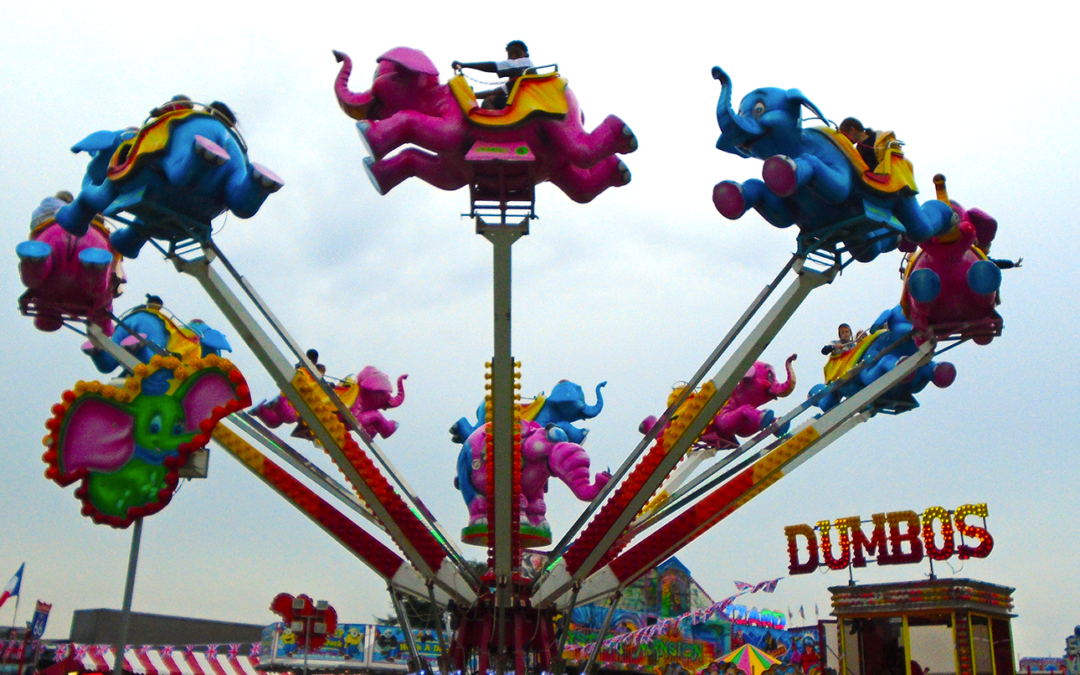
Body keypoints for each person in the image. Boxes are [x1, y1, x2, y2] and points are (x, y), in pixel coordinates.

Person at [452, 40, 535, 110]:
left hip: (525, 103)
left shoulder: (526, 63)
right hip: (523, 103)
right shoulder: (517, 82)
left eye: (517, 54)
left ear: (526, 55)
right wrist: (471, 95)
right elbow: (495, 92)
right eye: (510, 56)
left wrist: (464, 65)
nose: (513, 57)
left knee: (489, 101)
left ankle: (495, 128)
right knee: (493, 97)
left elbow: (492, 66)